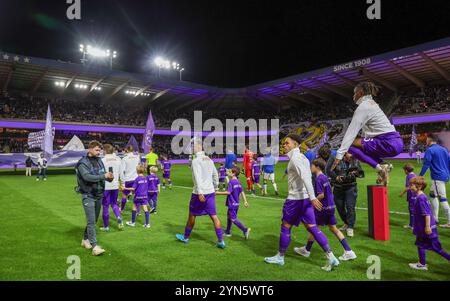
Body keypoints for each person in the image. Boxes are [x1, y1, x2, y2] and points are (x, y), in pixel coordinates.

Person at [264, 134, 339, 271]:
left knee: (286, 226)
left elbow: (306, 177)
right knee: (313, 227)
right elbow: (307, 177)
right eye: (284, 143)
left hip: (295, 200)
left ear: (295, 144)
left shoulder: (296, 159)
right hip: (304, 199)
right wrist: (310, 197)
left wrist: (312, 197)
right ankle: (331, 256)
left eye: (287, 143)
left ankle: (280, 257)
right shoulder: (301, 157)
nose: (284, 145)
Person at [331, 81, 404, 186]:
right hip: (394, 142)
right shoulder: (372, 104)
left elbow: (351, 132)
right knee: (356, 148)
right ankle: (383, 165)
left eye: (354, 93)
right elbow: (365, 137)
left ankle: (380, 167)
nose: (353, 96)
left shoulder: (364, 107)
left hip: (388, 142)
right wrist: (357, 154)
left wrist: (339, 155)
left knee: (350, 145)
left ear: (360, 93)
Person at [294, 158, 357, 261]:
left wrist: (311, 201)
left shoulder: (319, 179)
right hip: (330, 207)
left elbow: (321, 195)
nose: (311, 167)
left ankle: (308, 250)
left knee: (313, 228)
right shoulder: (325, 177)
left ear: (317, 167)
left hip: (322, 208)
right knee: (333, 229)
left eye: (312, 165)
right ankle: (349, 251)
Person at [175, 138, 225, 249]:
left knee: (192, 214)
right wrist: (216, 187)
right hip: (210, 192)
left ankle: (186, 237)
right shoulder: (209, 159)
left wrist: (200, 191)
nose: (192, 148)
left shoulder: (195, 160)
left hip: (199, 193)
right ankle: (221, 241)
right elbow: (215, 175)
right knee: (214, 216)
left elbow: (197, 177)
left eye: (193, 146)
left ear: (199, 147)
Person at [75, 140, 113, 256]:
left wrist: (109, 178)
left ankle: (85, 240)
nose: (99, 152)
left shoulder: (99, 161)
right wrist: (103, 176)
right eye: (97, 150)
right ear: (90, 149)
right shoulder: (82, 163)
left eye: (100, 150)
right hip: (88, 195)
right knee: (91, 221)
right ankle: (95, 246)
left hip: (98, 194)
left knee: (94, 220)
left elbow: (103, 174)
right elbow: (87, 177)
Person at [408, 177, 450, 271]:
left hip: (427, 228)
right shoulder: (419, 196)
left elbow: (426, 214)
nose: (410, 187)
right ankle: (422, 264)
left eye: (412, 185)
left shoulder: (421, 198)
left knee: (436, 248)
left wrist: (427, 227)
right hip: (421, 228)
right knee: (420, 244)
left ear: (419, 186)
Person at [326, 152, 364, 237]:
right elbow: (328, 169)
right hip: (338, 187)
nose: (351, 158)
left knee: (350, 207)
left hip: (351, 187)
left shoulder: (355, 159)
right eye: (349, 155)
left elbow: (361, 173)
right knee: (340, 207)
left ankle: (350, 227)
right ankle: (346, 223)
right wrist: (336, 177)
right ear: (345, 153)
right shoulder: (334, 157)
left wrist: (356, 173)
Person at [419, 134, 450, 228]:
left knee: (442, 199)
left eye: (427, 139)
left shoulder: (430, 149)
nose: (426, 141)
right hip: (444, 176)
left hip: (437, 177)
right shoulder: (444, 149)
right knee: (432, 195)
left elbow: (426, 164)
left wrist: (420, 176)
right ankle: (435, 218)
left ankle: (449, 221)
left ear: (429, 140)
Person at [216, 166, 251, 239]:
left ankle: (245, 230)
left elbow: (228, 192)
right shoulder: (238, 182)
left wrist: (217, 193)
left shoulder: (231, 182)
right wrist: (245, 201)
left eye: (229, 171)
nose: (228, 172)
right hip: (236, 204)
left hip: (232, 203)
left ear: (234, 173)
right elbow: (242, 192)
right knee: (229, 216)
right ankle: (228, 232)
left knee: (233, 219)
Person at [100, 144, 124, 231]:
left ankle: (106, 226)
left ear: (105, 151)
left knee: (105, 206)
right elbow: (121, 173)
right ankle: (118, 217)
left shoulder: (102, 160)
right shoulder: (118, 159)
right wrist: (123, 183)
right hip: (115, 185)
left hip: (106, 186)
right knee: (114, 204)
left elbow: (100, 174)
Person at [120, 145, 141, 212]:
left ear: (127, 150)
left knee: (124, 195)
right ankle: (138, 211)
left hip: (127, 179)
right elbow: (139, 167)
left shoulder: (125, 158)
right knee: (136, 195)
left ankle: (122, 209)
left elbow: (122, 171)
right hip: (136, 179)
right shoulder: (137, 157)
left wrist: (122, 182)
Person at [399, 163, 417, 230]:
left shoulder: (409, 176)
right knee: (414, 210)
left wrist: (402, 193)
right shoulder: (415, 175)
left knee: (412, 210)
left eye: (404, 170)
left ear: (406, 170)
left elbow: (408, 187)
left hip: (412, 195)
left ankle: (412, 225)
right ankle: (411, 224)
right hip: (416, 195)